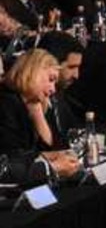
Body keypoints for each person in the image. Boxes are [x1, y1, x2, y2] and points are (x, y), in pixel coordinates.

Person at [0, 49, 79, 178]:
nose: (53, 89)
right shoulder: (5, 102)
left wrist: (38, 115)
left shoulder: (37, 102)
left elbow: (56, 149)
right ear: (32, 73)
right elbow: (11, 158)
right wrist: (47, 159)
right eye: (51, 79)